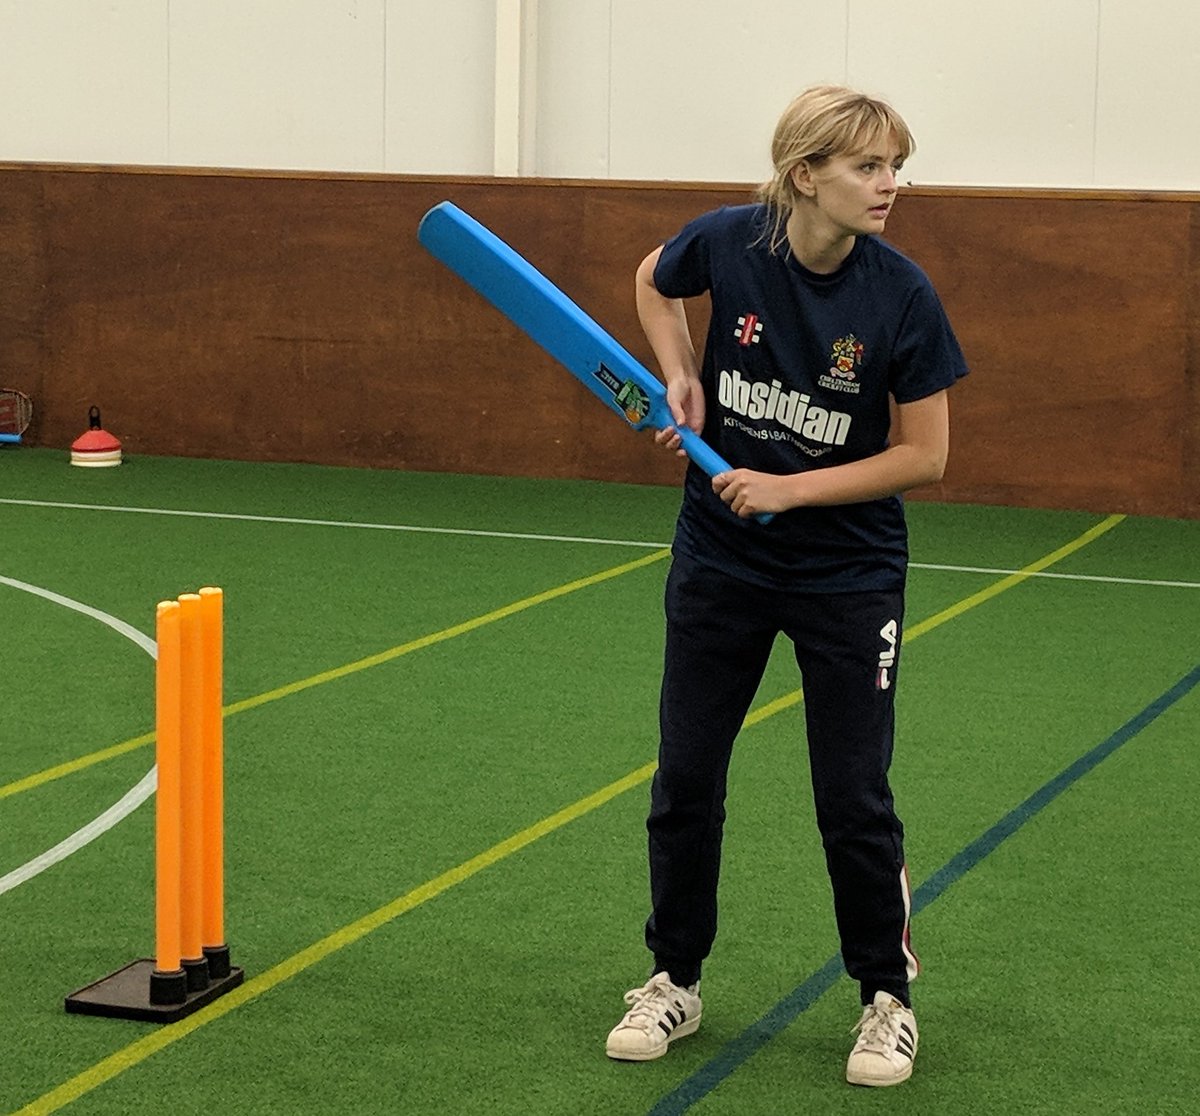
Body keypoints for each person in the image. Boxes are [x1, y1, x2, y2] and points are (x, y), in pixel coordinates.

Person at [604, 85, 968, 1087]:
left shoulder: (901, 295)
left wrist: (791, 489)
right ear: (805, 174)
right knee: (686, 778)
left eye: (895, 164)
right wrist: (677, 371)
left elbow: (926, 457)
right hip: (719, 557)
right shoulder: (728, 241)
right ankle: (673, 976)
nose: (890, 185)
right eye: (868, 166)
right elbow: (651, 278)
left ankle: (884, 998)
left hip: (848, 574)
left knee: (853, 794)